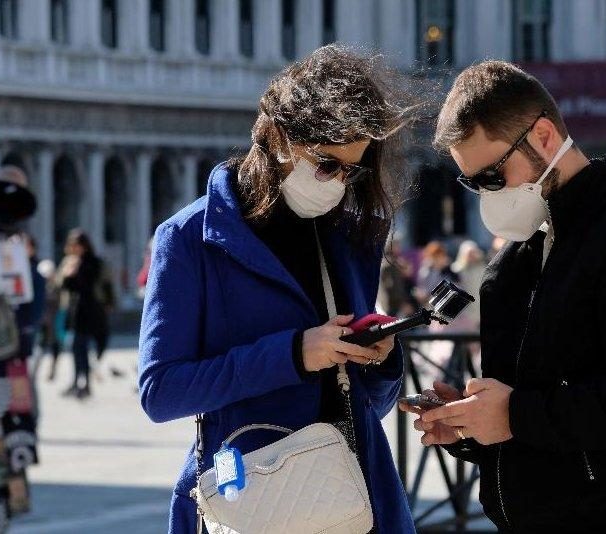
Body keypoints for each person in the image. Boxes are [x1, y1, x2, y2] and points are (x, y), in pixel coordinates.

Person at [139, 44, 419, 534]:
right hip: (248, 490)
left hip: (354, 490)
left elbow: (368, 400)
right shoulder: (188, 239)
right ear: (278, 135)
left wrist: (378, 356)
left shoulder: (351, 234)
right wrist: (291, 354)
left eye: (352, 169)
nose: (338, 182)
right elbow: (161, 391)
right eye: (327, 163)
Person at [401, 60, 606, 533]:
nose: (486, 195)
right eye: (472, 183)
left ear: (544, 137)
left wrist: (514, 416)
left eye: (493, 175)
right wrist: (470, 424)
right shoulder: (512, 261)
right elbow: (532, 405)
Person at [60, 229, 111, 399]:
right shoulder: (71, 262)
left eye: (76, 246)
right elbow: (66, 286)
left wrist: (74, 272)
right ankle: (76, 382)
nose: (74, 249)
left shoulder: (93, 262)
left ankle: (86, 384)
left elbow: (89, 285)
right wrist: (68, 274)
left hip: (91, 311)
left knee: (83, 348)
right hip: (75, 311)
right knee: (75, 349)